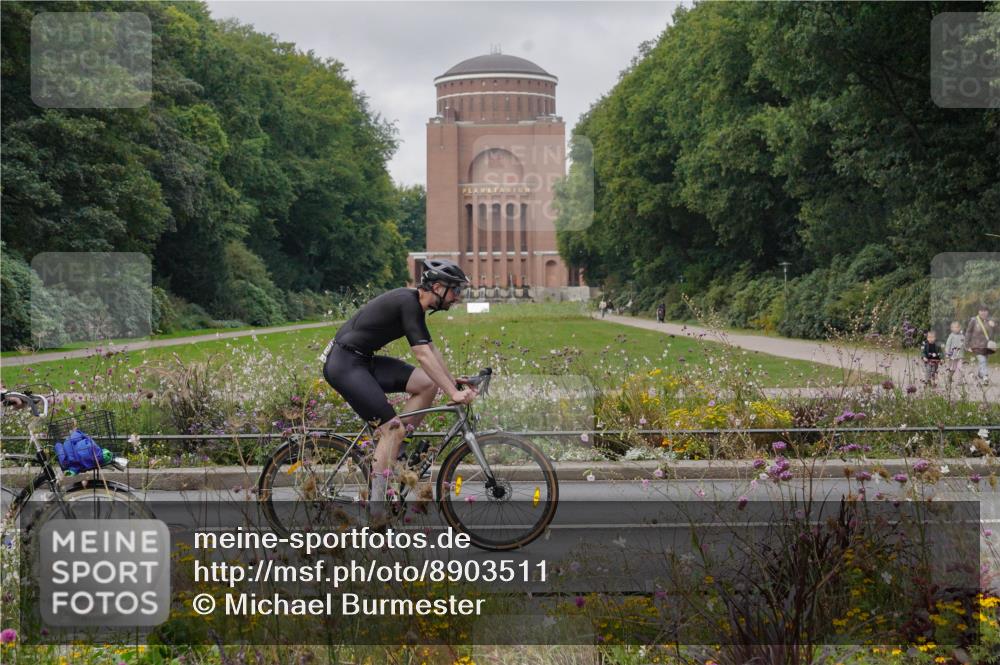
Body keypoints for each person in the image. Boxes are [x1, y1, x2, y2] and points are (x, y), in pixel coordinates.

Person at [320, 259, 478, 515]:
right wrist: (453, 393)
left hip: (362, 361)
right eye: (455, 290)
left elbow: (431, 350)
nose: (457, 297)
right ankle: (377, 512)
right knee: (392, 429)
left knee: (427, 384)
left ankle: (395, 453)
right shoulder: (408, 302)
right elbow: (422, 355)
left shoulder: (414, 306)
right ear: (438, 287)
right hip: (345, 365)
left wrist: (453, 384)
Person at [965, 305, 996, 385]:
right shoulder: (974, 320)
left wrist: (994, 326)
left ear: (988, 312)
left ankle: (980, 374)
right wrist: (967, 345)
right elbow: (968, 332)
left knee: (984, 362)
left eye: (985, 311)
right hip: (976, 346)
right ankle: (985, 377)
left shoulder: (989, 321)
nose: (983, 312)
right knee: (982, 361)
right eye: (981, 311)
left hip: (986, 347)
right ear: (978, 312)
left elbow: (995, 332)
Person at [944, 320, 965, 385]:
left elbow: (964, 343)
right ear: (952, 329)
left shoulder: (962, 336)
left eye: (958, 327)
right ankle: (949, 376)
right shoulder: (951, 336)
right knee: (953, 368)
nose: (956, 328)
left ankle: (959, 381)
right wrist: (947, 353)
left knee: (960, 368)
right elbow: (948, 345)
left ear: (960, 327)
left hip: (960, 355)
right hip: (953, 356)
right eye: (955, 327)